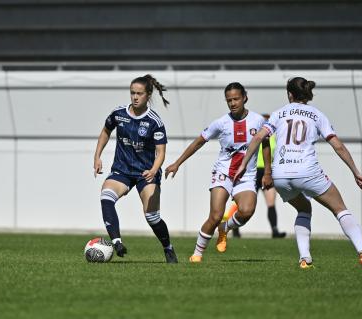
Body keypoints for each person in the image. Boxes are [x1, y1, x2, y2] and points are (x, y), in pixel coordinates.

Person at [234, 76, 362, 269]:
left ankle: (305, 259)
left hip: (280, 176)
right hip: (307, 172)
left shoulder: (278, 114)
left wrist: (243, 165)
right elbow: (338, 146)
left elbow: (257, 138)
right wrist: (356, 172)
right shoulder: (316, 114)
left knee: (304, 209)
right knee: (340, 208)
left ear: (289, 94)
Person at [165, 82, 270, 262]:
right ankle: (197, 255)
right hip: (224, 173)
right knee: (215, 215)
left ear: (245, 97)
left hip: (247, 176)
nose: (232, 103)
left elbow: (266, 144)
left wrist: (267, 171)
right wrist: (177, 163)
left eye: (236, 99)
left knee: (247, 211)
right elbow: (198, 142)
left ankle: (225, 228)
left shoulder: (258, 120)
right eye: (229, 100)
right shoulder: (221, 123)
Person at [93, 74, 178, 263]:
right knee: (106, 196)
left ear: (148, 95)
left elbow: (161, 152)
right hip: (122, 170)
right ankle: (116, 242)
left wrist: (155, 169)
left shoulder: (155, 121)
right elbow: (106, 131)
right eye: (132, 93)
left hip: (146, 173)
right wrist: (97, 156)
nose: (135, 97)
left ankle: (168, 247)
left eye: (139, 93)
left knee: (152, 216)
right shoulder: (119, 114)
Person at [231, 114, 286, 239]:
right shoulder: (254, 135)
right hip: (254, 172)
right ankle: (235, 228)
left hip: (267, 172)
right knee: (243, 202)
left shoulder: (274, 138)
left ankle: (275, 230)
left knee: (271, 202)